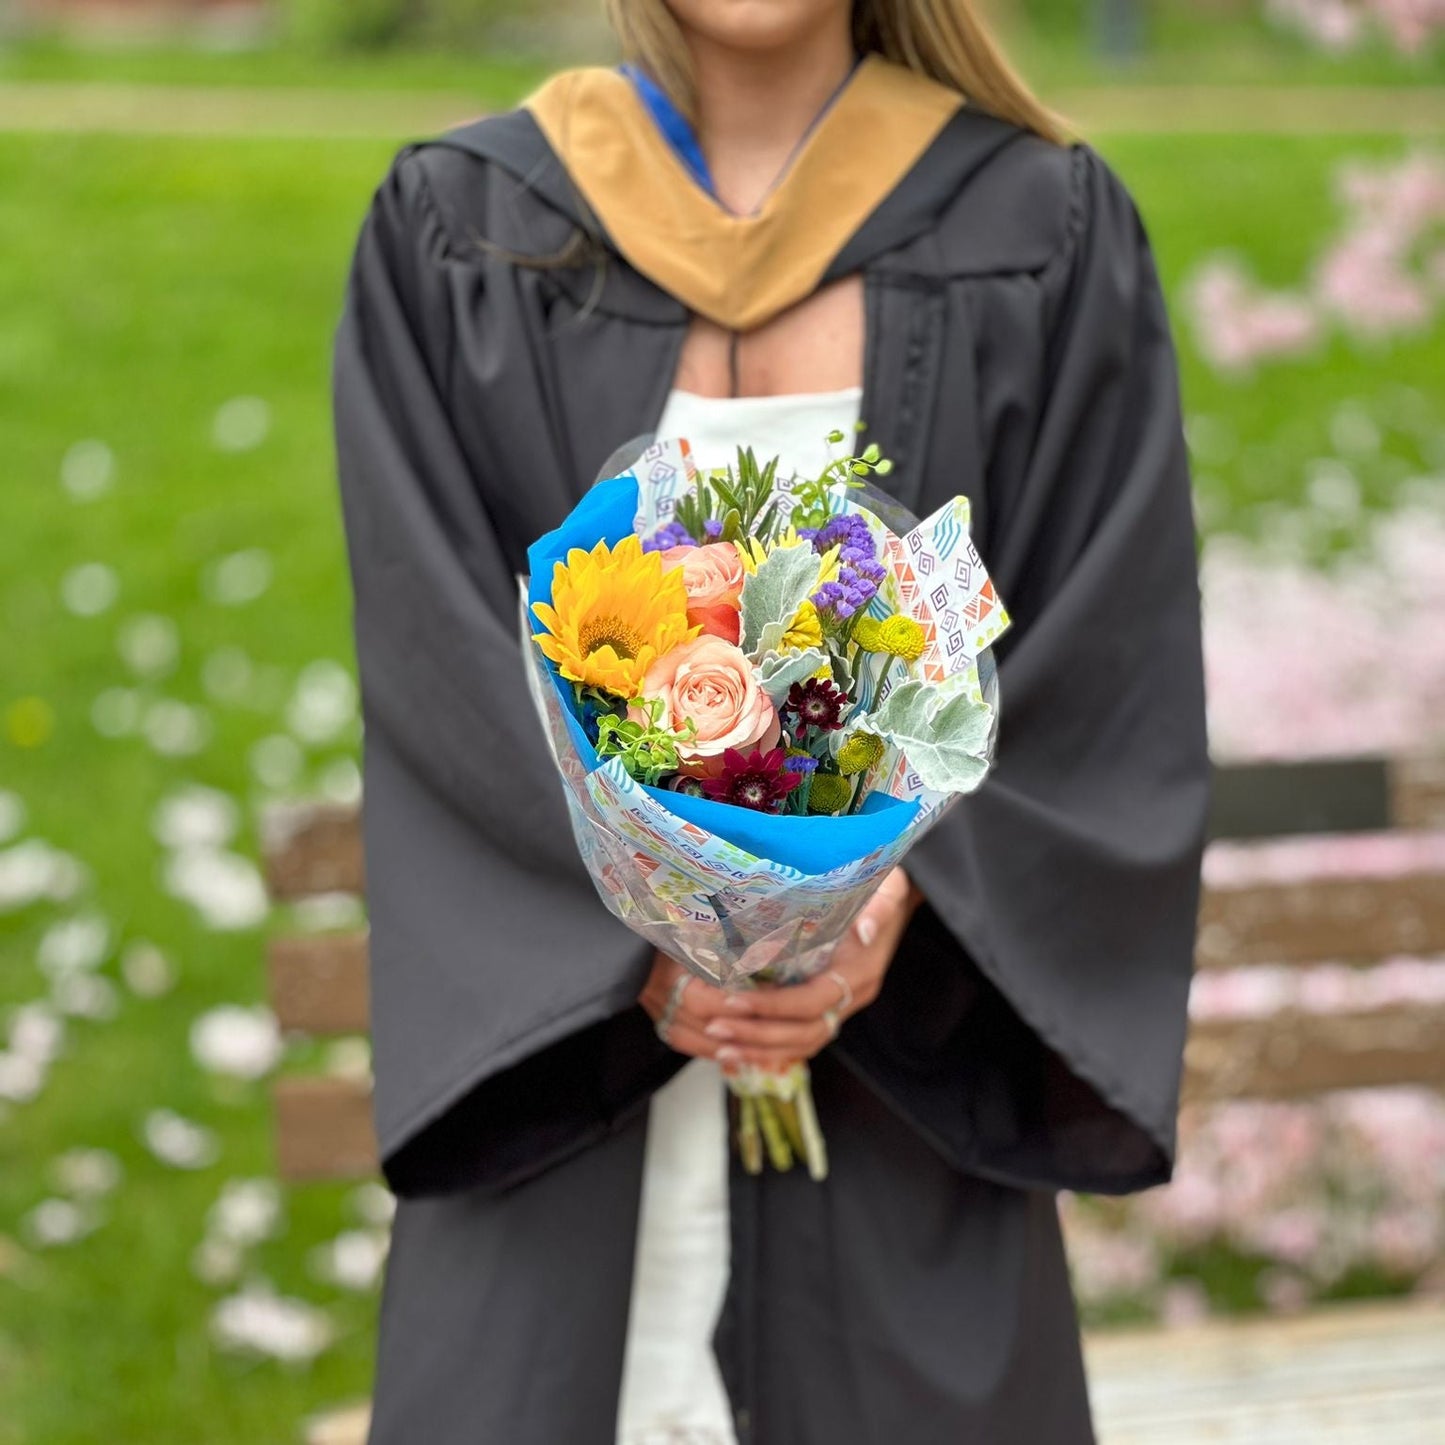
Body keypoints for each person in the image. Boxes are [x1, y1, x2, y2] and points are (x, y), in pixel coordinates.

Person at [329, 1, 1211, 1441]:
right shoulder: (465, 229)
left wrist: (891, 904)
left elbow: (1102, 663)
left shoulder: (1041, 227)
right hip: (570, 1089)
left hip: (898, 1095)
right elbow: (441, 666)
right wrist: (656, 931)